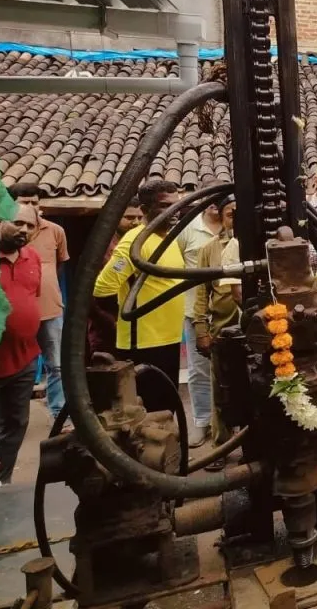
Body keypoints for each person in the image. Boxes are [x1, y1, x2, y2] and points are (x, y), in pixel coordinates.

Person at [94, 180, 185, 413]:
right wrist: (121, 320)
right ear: (145, 210)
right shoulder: (134, 241)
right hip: (143, 344)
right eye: (165, 206)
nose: (174, 211)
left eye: (176, 204)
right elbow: (103, 287)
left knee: (167, 410)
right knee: (149, 414)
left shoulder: (168, 239)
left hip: (169, 339)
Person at [0, 204, 42, 483]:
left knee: (15, 425)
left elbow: (31, 299)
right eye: (18, 222)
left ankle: (1, 482)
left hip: (24, 359)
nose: (24, 230)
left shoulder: (32, 257)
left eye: (30, 226)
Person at [9, 183, 69, 418]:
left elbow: (60, 265)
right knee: (19, 367)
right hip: (16, 315)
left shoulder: (55, 231)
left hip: (50, 310)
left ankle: (58, 413)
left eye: (35, 202)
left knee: (57, 365)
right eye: (25, 202)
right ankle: (15, 417)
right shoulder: (4, 233)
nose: (31, 207)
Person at [177, 178, 222, 447]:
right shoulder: (189, 229)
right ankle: (201, 422)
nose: (215, 205)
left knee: (231, 369)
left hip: (229, 312)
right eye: (211, 199)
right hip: (196, 310)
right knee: (199, 370)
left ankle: (228, 423)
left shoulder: (234, 224)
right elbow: (175, 262)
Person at [192, 195, 238, 458]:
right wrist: (201, 330)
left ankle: (251, 445)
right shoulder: (209, 249)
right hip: (221, 328)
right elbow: (201, 292)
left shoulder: (256, 245)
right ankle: (221, 447)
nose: (236, 219)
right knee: (221, 389)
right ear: (221, 217)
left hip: (253, 328)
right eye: (231, 214)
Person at [87, 198, 143, 357]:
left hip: (132, 322)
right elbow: (91, 291)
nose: (136, 222)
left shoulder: (138, 243)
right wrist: (109, 321)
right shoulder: (100, 245)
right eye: (130, 218)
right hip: (106, 322)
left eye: (139, 218)